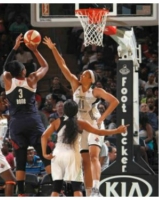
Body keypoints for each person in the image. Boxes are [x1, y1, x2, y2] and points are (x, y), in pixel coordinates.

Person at [43, 37, 119, 197]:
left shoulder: (96, 91)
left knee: (93, 157)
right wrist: (53, 49)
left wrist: (102, 118)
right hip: (80, 126)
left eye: (84, 74)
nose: (81, 75)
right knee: (84, 161)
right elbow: (62, 66)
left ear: (91, 79)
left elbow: (114, 101)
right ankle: (90, 192)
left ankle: (97, 191)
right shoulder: (75, 85)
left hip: (94, 124)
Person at [41, 100, 128, 197]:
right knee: (77, 188)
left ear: (64, 111)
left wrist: (44, 153)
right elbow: (99, 132)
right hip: (72, 155)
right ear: (76, 110)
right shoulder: (80, 123)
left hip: (57, 155)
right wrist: (117, 130)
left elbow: (43, 136)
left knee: (56, 189)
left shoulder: (57, 122)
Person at [3, 33, 51, 196]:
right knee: (44, 153)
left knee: (20, 157)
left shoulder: (8, 80)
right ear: (23, 71)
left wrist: (15, 47)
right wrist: (35, 50)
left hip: (16, 123)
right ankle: (57, 187)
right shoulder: (31, 79)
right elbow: (45, 66)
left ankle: (21, 193)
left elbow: (5, 67)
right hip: (32, 120)